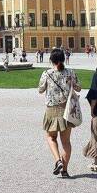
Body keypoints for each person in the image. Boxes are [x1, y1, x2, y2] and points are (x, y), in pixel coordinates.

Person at [38, 48, 81, 178]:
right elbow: (79, 88)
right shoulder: (70, 72)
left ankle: (58, 161)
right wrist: (71, 84)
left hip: (52, 109)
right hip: (66, 109)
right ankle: (65, 171)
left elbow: (40, 90)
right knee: (66, 142)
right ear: (63, 58)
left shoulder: (47, 73)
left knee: (51, 137)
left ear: (51, 60)